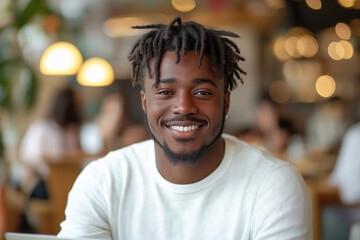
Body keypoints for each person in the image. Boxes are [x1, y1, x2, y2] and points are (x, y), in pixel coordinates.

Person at [58, 17, 312, 239]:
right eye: (166, 92)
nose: (183, 107)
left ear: (225, 102)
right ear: (145, 102)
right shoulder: (103, 182)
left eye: (202, 92)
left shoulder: (273, 185)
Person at [19, 87, 82, 199]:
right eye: (75, 105)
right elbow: (29, 157)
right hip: (45, 181)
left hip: (70, 180)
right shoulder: (41, 128)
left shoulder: (72, 131)